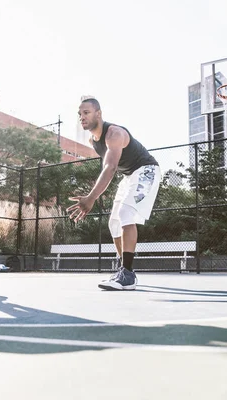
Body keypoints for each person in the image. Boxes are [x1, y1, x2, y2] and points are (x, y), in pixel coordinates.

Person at [67, 98, 160, 291]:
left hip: (146, 170)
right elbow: (109, 168)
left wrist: (91, 197)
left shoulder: (114, 134)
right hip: (129, 176)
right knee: (114, 222)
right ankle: (124, 270)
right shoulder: (92, 140)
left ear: (98, 114)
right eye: (80, 114)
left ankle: (127, 273)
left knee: (126, 213)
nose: (82, 117)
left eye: (86, 112)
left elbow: (110, 168)